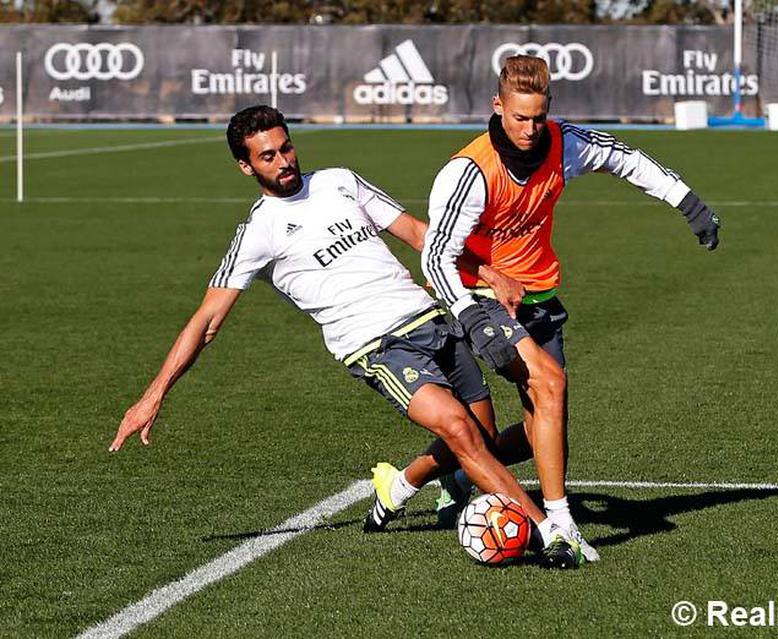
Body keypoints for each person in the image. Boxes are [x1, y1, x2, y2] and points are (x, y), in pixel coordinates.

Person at [107, 105, 582, 569]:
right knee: (458, 430)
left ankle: (398, 486)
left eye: (286, 148)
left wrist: (490, 273)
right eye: (268, 156)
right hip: (376, 346)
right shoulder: (259, 232)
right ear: (245, 165)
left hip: (431, 319)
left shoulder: (339, 181)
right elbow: (207, 320)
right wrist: (153, 396)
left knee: (484, 442)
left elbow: (420, 234)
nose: (284, 161)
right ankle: (548, 529)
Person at [396, 55, 723, 564]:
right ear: (497, 106)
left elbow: (627, 159)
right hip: (480, 298)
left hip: (539, 297)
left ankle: (440, 476)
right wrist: (470, 314)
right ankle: (559, 525)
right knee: (550, 384)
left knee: (535, 432)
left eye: (537, 118)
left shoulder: (565, 142)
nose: (529, 129)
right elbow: (436, 255)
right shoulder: (469, 173)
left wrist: (689, 203)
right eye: (519, 117)